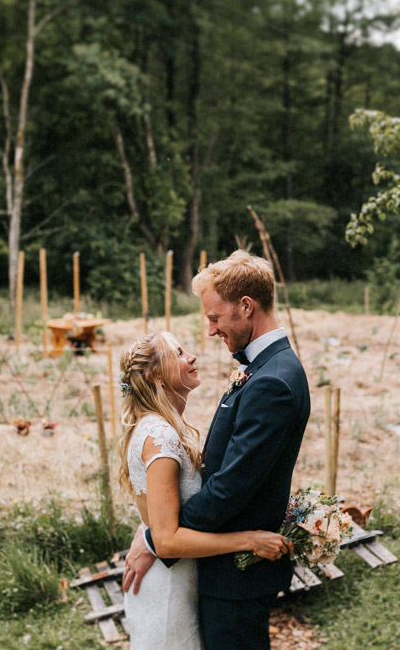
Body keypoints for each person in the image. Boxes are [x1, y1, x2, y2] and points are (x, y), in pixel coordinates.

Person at [123, 250, 311, 650]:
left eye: (214, 318)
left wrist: (157, 538)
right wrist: (159, 533)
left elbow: (228, 490)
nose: (209, 332)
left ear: (246, 306)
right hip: (218, 571)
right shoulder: (263, 370)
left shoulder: (272, 382)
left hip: (235, 580)